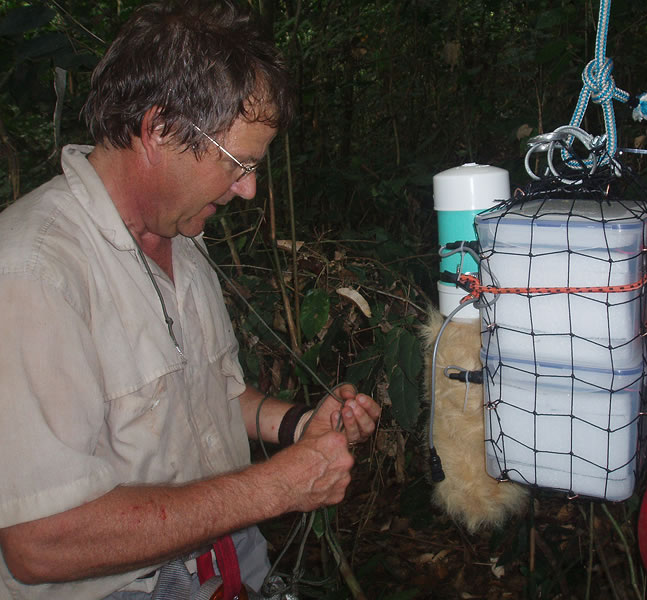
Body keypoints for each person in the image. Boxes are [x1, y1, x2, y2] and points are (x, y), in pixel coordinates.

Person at [0, 1, 381, 598]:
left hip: (226, 557)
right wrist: (278, 487)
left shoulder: (181, 236)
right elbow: (39, 543)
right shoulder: (34, 274)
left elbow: (206, 396)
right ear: (159, 130)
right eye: (238, 164)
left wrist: (301, 425)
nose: (248, 189)